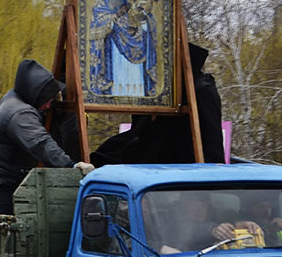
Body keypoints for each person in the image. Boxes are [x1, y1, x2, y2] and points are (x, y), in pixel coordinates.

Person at [0, 59, 92, 215]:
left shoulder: (19, 96)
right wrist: (71, 166)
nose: (49, 106)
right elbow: (40, 144)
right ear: (35, 95)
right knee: (2, 231)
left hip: (5, 176)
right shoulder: (19, 113)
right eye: (47, 101)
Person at [89, 43, 224, 166]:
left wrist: (212, 169)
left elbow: (211, 135)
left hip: (179, 165)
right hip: (153, 161)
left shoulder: (200, 89)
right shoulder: (157, 90)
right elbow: (139, 132)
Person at [89, 0, 157, 97]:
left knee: (136, 78)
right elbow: (99, 13)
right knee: (118, 72)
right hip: (116, 40)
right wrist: (115, 17)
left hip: (138, 37)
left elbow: (149, 15)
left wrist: (143, 19)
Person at [157, 192, 263, 254]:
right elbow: (191, 231)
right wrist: (213, 230)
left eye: (203, 206)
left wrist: (239, 226)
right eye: (194, 205)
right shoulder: (169, 224)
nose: (199, 210)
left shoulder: (215, 221)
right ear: (183, 207)